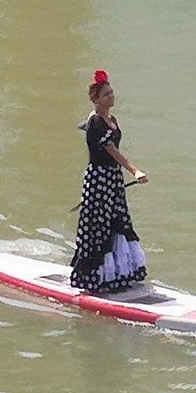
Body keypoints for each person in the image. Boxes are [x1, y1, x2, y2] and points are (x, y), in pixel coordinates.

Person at [70, 70, 148, 296]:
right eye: (106, 94)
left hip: (112, 179)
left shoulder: (110, 120)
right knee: (99, 227)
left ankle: (119, 275)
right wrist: (134, 170)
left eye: (111, 92)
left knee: (118, 224)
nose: (111, 96)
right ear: (96, 99)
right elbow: (111, 151)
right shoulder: (96, 122)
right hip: (99, 180)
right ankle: (95, 277)